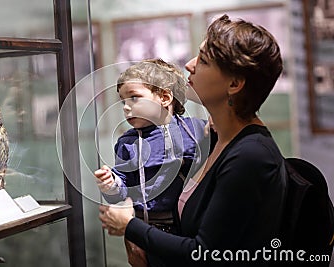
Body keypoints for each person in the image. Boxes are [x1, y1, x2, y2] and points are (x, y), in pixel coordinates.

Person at [99, 14, 287, 267]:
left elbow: (204, 252)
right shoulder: (218, 139)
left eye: (204, 60)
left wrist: (130, 228)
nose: (189, 64)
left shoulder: (249, 155)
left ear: (234, 83)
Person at [94, 58, 207, 266]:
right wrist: (110, 183)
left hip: (187, 233)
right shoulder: (127, 143)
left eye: (135, 98)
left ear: (164, 97)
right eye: (123, 101)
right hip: (145, 232)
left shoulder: (196, 131)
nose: (126, 108)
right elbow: (122, 188)